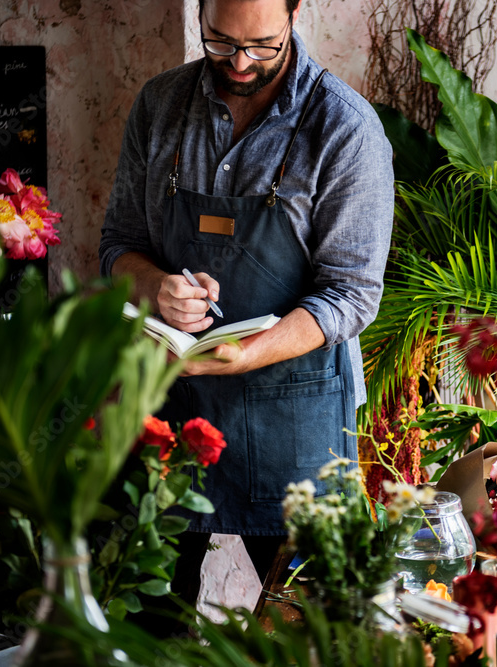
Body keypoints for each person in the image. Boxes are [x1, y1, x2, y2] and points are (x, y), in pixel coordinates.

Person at [98, 0, 394, 604]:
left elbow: (353, 294)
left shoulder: (344, 127)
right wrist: (156, 287)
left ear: (295, 13)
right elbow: (118, 246)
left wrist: (249, 353)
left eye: (263, 45)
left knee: (318, 626)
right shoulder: (161, 107)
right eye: (220, 42)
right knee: (142, 616)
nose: (239, 63)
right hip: (170, 407)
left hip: (294, 417)